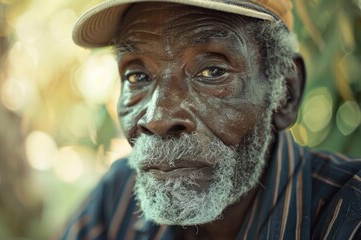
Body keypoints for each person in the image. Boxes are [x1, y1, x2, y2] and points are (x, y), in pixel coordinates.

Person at [60, 0, 361, 239]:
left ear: (285, 93)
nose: (158, 118)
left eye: (212, 71)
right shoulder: (116, 198)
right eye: (138, 76)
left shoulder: (350, 214)